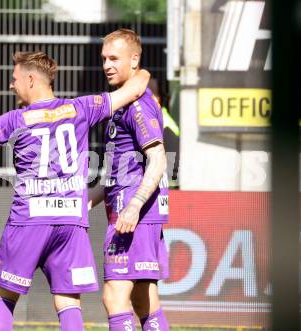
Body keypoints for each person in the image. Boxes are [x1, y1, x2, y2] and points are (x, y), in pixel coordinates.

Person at [0, 51, 150, 331]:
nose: (11, 85)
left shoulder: (15, 119)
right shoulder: (81, 107)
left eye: (14, 79)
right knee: (69, 302)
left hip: (28, 220)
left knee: (5, 296)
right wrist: (138, 68)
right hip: (70, 222)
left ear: (30, 79)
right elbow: (138, 86)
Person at [88, 29, 170, 331]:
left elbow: (159, 159)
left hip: (134, 215)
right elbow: (114, 176)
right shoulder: (121, 104)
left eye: (114, 58)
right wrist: (83, 203)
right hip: (134, 213)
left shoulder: (137, 105)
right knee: (143, 299)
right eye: (104, 59)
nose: (107, 65)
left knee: (114, 295)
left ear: (134, 60)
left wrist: (134, 206)